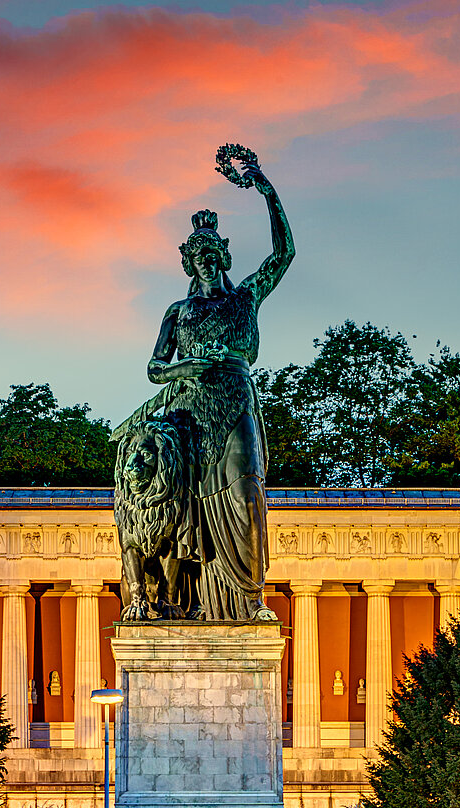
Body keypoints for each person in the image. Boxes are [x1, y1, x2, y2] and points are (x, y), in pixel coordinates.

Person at [133, 159, 294, 622]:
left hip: (236, 399)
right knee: (187, 506)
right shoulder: (178, 312)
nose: (204, 258)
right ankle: (192, 600)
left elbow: (284, 254)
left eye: (211, 251)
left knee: (247, 493)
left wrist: (267, 192)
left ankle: (248, 597)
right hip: (191, 410)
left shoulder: (245, 297)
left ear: (223, 255)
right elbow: (154, 367)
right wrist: (182, 368)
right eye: (196, 253)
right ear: (189, 261)